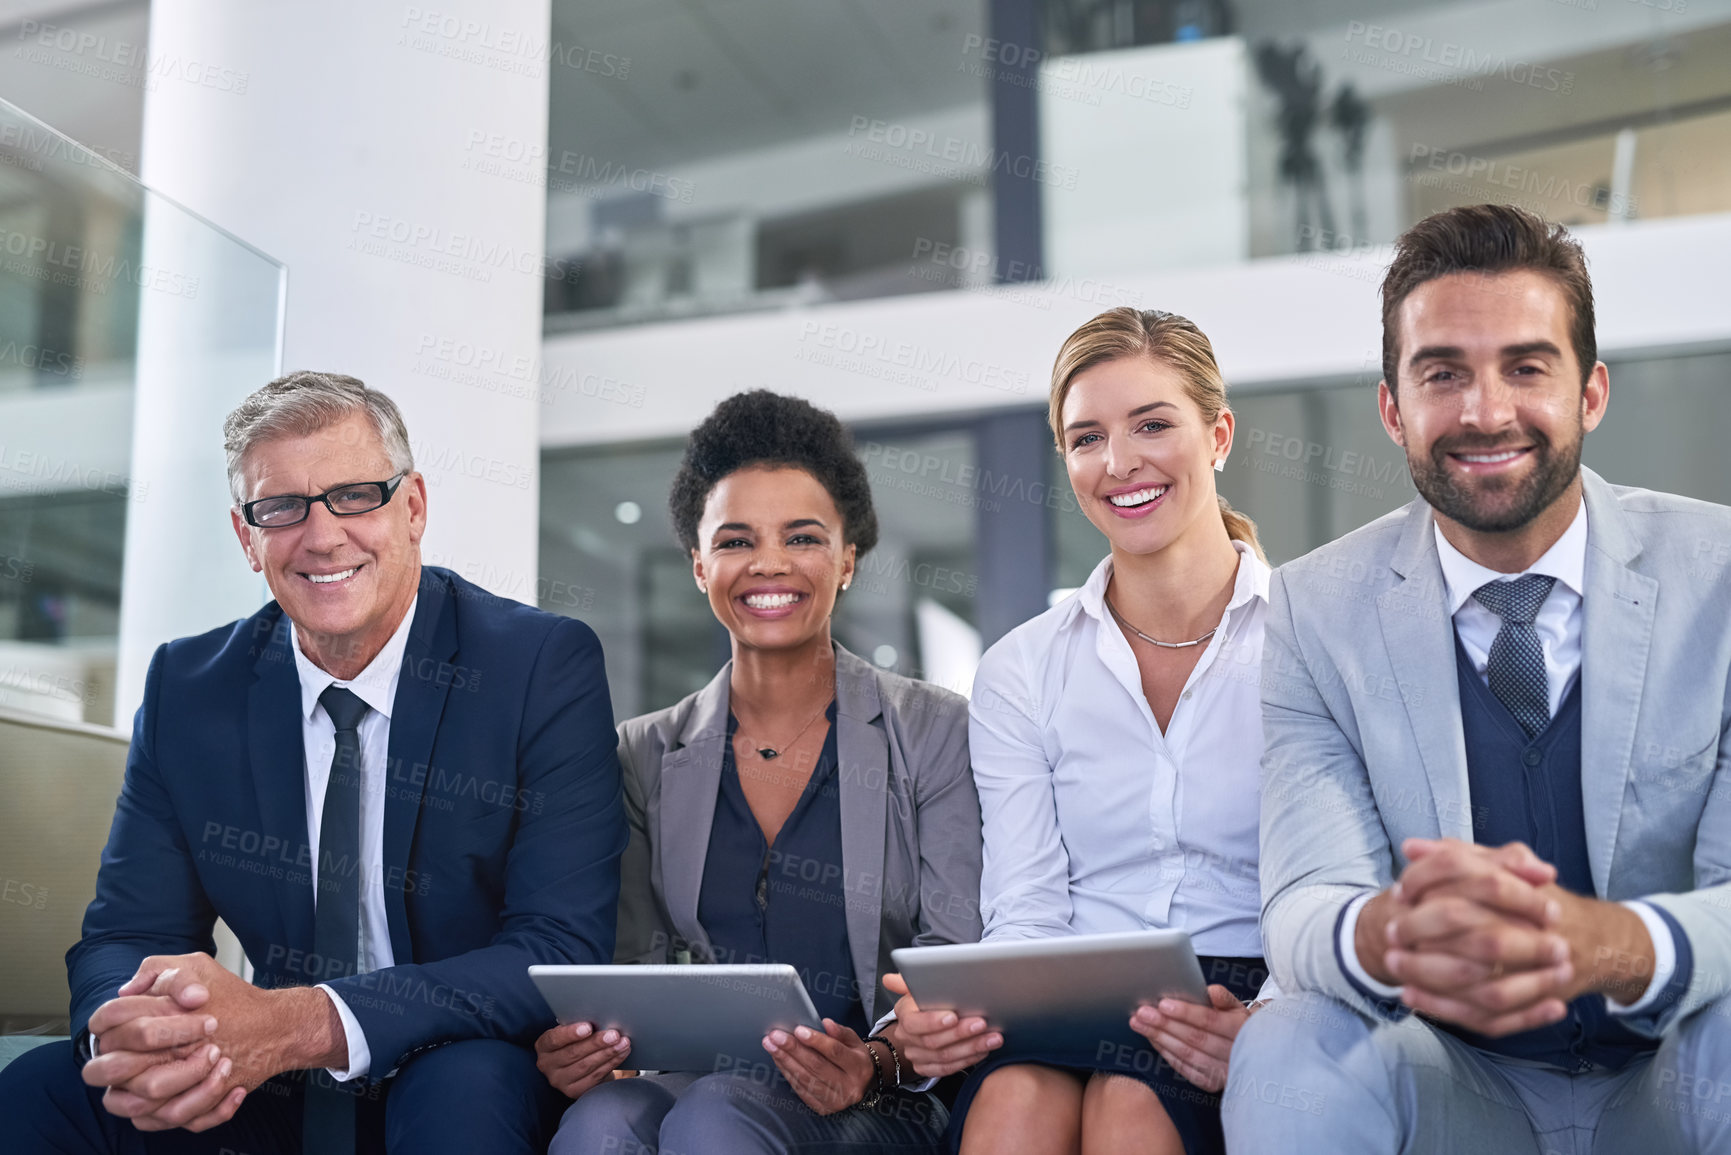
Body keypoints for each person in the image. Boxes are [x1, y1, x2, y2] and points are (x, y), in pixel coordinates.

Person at [0, 371, 627, 1154]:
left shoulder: (536, 665)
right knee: (41, 1092)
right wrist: (135, 1036)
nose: (323, 534)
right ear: (247, 537)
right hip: (271, 1081)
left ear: (414, 507)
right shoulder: (189, 689)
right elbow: (126, 931)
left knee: (462, 1088)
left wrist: (302, 1023)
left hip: (464, 1061)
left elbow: (556, 947)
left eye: (355, 494)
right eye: (282, 508)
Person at [1224, 204, 1731, 1154]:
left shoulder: (1721, 574)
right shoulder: (1313, 609)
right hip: (1457, 1089)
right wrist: (1386, 933)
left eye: (1526, 367)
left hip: (1675, 1073)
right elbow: (1302, 903)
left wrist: (1608, 942)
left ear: (1590, 394)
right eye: (1442, 373)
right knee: (1287, 1037)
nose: (1485, 411)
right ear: (1392, 409)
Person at [535, 389, 982, 1154]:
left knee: (715, 1117)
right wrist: (586, 1045)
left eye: (802, 536)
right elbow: (626, 969)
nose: (768, 563)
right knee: (599, 1123)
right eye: (737, 539)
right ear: (699, 562)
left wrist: (878, 1060)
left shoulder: (934, 730)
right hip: (697, 1082)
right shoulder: (642, 753)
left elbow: (954, 958)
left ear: (846, 559)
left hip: (879, 1097)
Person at [892, 308, 1273, 1155]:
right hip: (1069, 990)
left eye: (1151, 424)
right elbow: (1025, 907)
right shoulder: (1021, 669)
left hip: (1246, 985)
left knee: (1128, 1110)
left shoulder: (1305, 638)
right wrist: (969, 1011)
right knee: (1011, 1104)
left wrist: (1269, 1017)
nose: (1118, 462)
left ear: (1217, 434)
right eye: (1085, 437)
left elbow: (1328, 882)